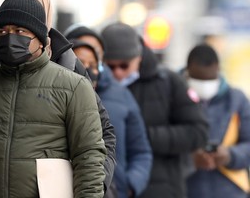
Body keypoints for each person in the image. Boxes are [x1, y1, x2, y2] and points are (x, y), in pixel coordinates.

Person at [0, 0, 116, 192]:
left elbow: (89, 155)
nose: (10, 38)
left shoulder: (74, 85)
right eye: (2, 31)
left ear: (40, 37)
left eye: (20, 31)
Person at [101, 22, 209, 198]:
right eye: (110, 66)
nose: (118, 73)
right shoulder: (94, 86)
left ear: (139, 57)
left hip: (162, 187)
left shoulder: (169, 82)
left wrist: (142, 136)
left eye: (124, 65)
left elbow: (198, 131)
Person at [70, 37, 153, 198]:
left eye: (93, 62)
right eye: (80, 61)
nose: (86, 68)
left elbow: (141, 151)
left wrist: (130, 184)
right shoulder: (56, 93)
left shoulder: (121, 96)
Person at [184, 44, 250, 198]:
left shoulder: (237, 100)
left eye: (210, 79)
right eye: (199, 80)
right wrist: (189, 159)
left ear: (218, 70)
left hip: (230, 191)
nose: (205, 85)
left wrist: (229, 155)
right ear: (187, 72)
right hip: (186, 189)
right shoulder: (174, 97)